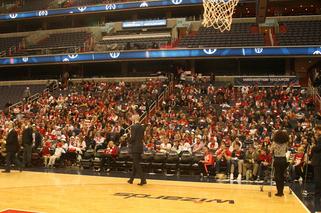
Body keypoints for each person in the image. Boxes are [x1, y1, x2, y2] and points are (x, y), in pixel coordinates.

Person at [128, 114, 146, 186]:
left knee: (136, 164)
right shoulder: (142, 127)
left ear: (134, 119)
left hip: (135, 147)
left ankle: (143, 179)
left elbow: (133, 138)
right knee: (135, 163)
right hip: (140, 146)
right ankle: (131, 179)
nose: (131, 119)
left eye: (132, 118)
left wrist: (128, 139)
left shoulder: (133, 126)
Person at [271, 130, 289, 197]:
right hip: (283, 159)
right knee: (282, 175)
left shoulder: (274, 143)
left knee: (277, 176)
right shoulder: (286, 143)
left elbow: (271, 151)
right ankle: (281, 191)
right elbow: (286, 150)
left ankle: (279, 192)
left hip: (277, 159)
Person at [311, 125, 321, 199]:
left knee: (318, 177)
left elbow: (318, 148)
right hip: (318, 160)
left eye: (317, 130)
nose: (316, 132)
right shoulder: (319, 139)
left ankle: (318, 193)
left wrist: (313, 147)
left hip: (318, 161)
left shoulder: (320, 138)